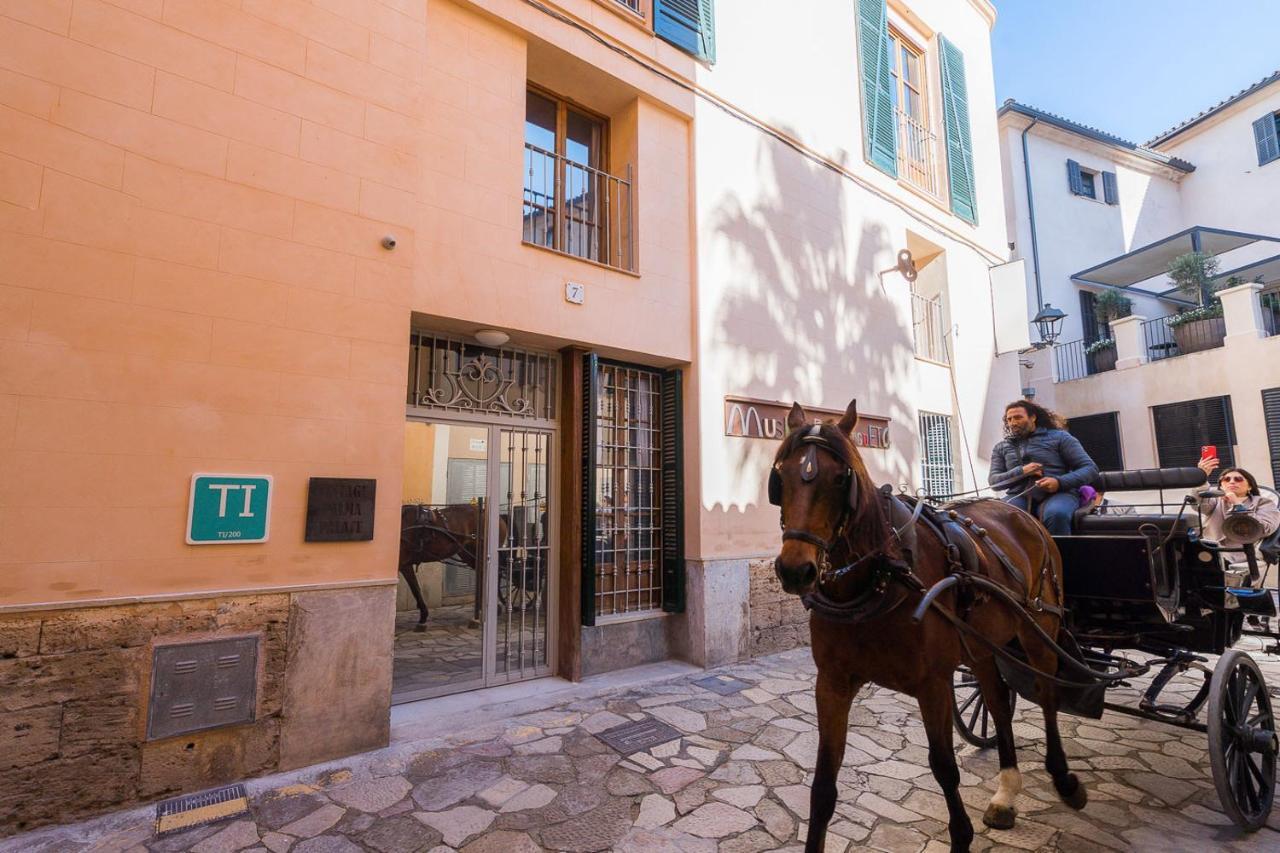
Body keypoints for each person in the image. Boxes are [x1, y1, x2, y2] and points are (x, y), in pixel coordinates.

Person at [989, 400, 1099, 535]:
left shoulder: (1061, 437)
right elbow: (994, 482)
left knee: (1056, 514)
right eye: (1009, 419)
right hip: (1019, 496)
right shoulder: (1001, 447)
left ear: (1033, 417)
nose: (1013, 423)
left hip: (1060, 494)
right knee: (995, 516)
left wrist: (1059, 482)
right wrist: (1022, 471)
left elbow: (1090, 468)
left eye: (1018, 417)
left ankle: (1064, 556)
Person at [1193, 457, 1280, 550]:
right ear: (1221, 486)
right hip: (1212, 550)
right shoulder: (1214, 500)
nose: (1232, 482)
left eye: (1238, 479)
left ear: (1249, 486)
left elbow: (1265, 529)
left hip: (1245, 552)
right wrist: (1201, 477)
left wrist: (1237, 504)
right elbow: (1198, 504)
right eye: (1226, 479)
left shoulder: (1263, 502)